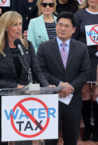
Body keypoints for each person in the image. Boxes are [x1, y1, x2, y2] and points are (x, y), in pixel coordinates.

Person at [0, 11, 51, 145]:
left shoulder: (27, 45)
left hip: (24, 100)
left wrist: (47, 86)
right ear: (6, 27)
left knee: (24, 138)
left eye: (20, 24)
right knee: (3, 137)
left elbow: (36, 70)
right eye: (15, 24)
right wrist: (16, 87)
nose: (19, 27)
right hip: (4, 99)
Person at [37, 11, 91, 145]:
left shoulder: (82, 48)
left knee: (71, 139)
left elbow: (85, 72)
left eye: (66, 26)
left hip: (73, 101)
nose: (62, 28)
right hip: (50, 100)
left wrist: (70, 87)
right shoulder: (44, 47)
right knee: (50, 140)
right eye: (60, 25)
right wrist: (60, 85)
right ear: (56, 26)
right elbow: (40, 70)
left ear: (73, 29)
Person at [72, 0, 98, 142]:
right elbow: (73, 38)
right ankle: (87, 127)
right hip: (85, 58)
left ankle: (97, 129)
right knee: (85, 93)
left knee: (97, 94)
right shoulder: (80, 14)